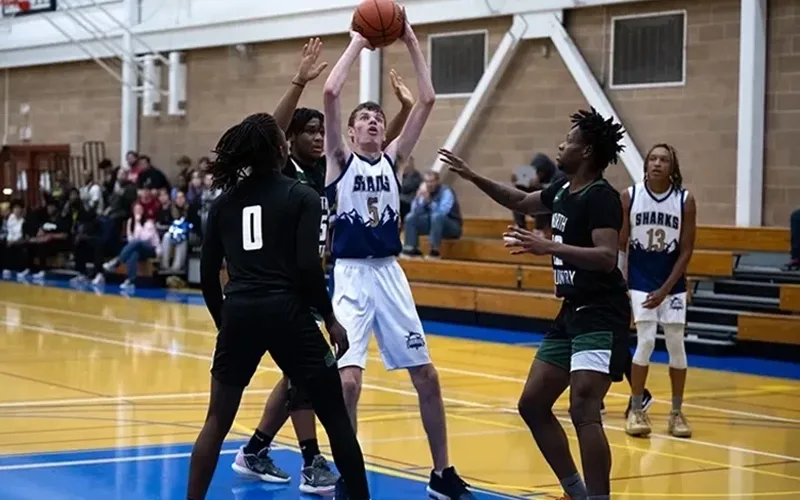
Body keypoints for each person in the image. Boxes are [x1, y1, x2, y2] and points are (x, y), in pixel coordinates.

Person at [233, 38, 414, 495]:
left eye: (321, 130)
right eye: (308, 131)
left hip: (311, 283)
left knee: (302, 373)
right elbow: (272, 129)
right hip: (274, 285)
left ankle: (257, 448)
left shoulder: (326, 173)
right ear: (288, 141)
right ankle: (310, 458)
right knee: (307, 373)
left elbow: (380, 149)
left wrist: (402, 113)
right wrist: (300, 81)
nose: (318, 136)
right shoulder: (282, 169)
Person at [441, 107, 632, 500]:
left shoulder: (601, 196)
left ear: (588, 151)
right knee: (532, 404)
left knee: (583, 407)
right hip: (571, 312)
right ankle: (575, 491)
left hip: (601, 311)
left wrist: (548, 246)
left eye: (570, 140)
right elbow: (523, 200)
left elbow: (606, 256)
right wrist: (473, 176)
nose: (562, 144)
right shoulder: (563, 189)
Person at [322, 21, 475, 500]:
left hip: (389, 273)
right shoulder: (339, 162)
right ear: (349, 131)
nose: (373, 122)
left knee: (426, 375)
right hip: (349, 275)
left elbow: (427, 100)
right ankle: (349, 473)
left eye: (378, 119)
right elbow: (329, 89)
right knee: (347, 383)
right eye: (364, 118)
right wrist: (357, 43)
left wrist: (410, 39)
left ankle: (442, 474)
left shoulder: (393, 161)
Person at [186, 112, 369, 500]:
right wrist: (331, 318)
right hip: (287, 311)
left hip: (239, 310)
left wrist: (227, 323)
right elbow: (307, 267)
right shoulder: (301, 195)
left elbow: (206, 277)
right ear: (280, 149)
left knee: (216, 422)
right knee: (335, 418)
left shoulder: (222, 204)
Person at [619, 143, 695, 438]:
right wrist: (620, 281)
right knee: (646, 341)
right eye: (653, 158)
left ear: (672, 167)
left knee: (677, 345)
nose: (657, 163)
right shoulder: (631, 195)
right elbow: (622, 243)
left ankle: (676, 412)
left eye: (664, 159)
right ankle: (637, 409)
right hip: (640, 280)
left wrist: (666, 289)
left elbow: (686, 250)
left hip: (671, 282)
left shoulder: (685, 200)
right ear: (646, 164)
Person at [402, 170, 463, 258]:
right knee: (410, 217)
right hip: (433, 223)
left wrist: (429, 201)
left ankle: (434, 251)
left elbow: (442, 212)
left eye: (431, 181)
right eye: (427, 182)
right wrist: (418, 199)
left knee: (436, 216)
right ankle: (411, 249)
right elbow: (415, 212)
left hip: (452, 226)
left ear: (438, 181)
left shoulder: (446, 192)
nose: (429, 184)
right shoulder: (424, 192)